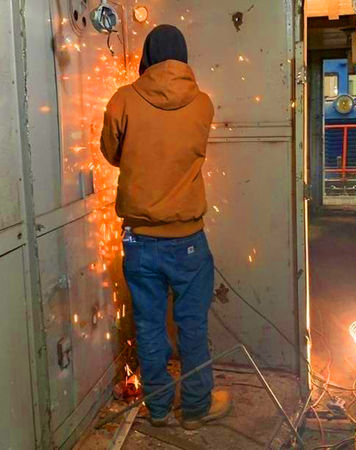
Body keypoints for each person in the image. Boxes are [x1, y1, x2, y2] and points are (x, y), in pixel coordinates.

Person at [100, 25, 231, 430]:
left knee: (149, 326)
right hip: (188, 240)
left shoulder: (123, 99)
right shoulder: (203, 104)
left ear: (147, 55)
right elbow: (189, 153)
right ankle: (195, 408)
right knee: (193, 326)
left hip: (140, 240)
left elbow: (111, 153)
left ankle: (158, 410)